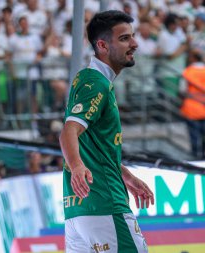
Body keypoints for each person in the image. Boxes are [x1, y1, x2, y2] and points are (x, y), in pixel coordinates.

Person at [59, 10, 154, 253]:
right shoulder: (97, 84)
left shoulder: (87, 79)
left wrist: (126, 175)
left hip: (78, 212)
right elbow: (68, 132)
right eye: (124, 38)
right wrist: (78, 167)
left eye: (132, 36)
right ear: (102, 45)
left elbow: (92, 144)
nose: (134, 44)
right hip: (105, 205)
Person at [179, 50, 205, 158]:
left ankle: (197, 158)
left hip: (191, 109)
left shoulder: (187, 71)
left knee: (194, 138)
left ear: (193, 58)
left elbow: (182, 91)